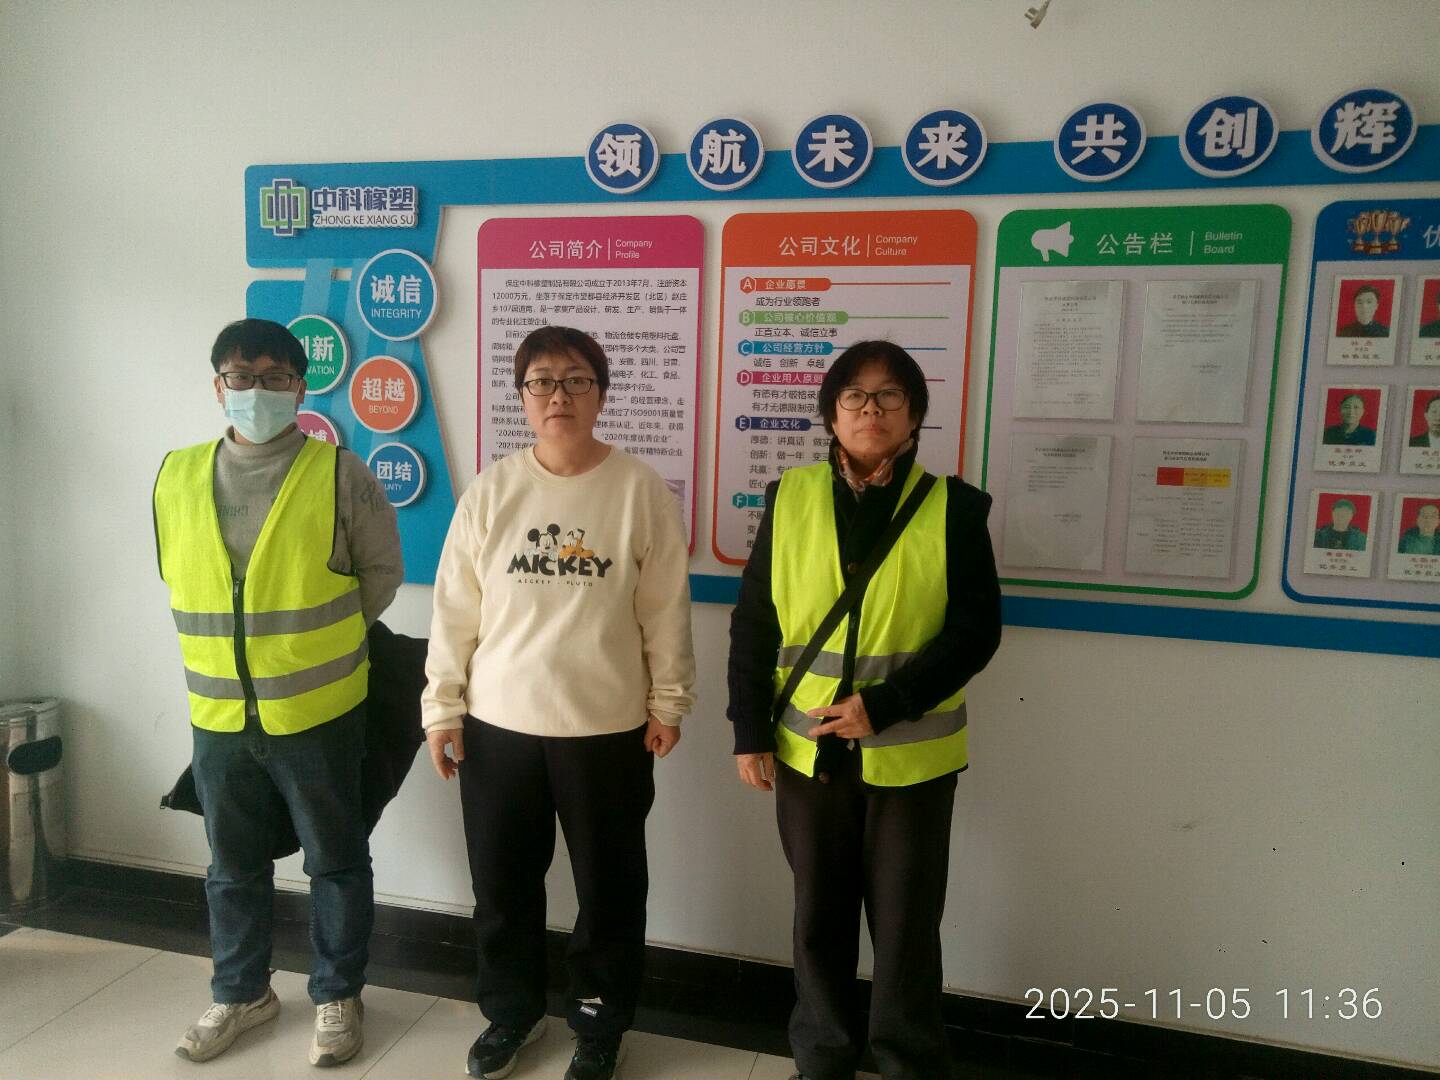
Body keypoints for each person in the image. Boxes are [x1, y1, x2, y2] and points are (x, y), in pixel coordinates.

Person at [423, 326, 695, 1080]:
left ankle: (600, 1022)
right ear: (522, 397)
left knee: (609, 890)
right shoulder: (492, 491)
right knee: (502, 888)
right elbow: (453, 611)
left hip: (607, 728)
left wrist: (669, 702)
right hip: (497, 727)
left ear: (600, 393)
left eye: (576, 380)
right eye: (541, 381)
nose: (558, 396)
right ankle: (511, 1014)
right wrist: (442, 709)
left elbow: (665, 609)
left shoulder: (639, 490)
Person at [728, 341, 1001, 1080]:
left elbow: (976, 631)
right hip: (807, 753)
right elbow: (755, 621)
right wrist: (748, 730)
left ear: (913, 414)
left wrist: (885, 705)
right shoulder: (789, 497)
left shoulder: (955, 508)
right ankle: (822, 1058)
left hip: (911, 759)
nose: (869, 410)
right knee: (817, 919)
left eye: (888, 396)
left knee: (907, 927)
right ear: (831, 413)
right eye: (853, 395)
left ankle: (909, 1060)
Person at [154, 318, 403, 1066]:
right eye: (241, 376)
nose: (256, 390)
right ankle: (241, 993)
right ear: (218, 385)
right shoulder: (176, 474)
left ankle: (337, 994)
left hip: (319, 710)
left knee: (335, 861)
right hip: (218, 713)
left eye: (274, 377)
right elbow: (177, 576)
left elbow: (381, 575)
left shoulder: (340, 474)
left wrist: (307, 647)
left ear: (300, 387)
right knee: (231, 868)